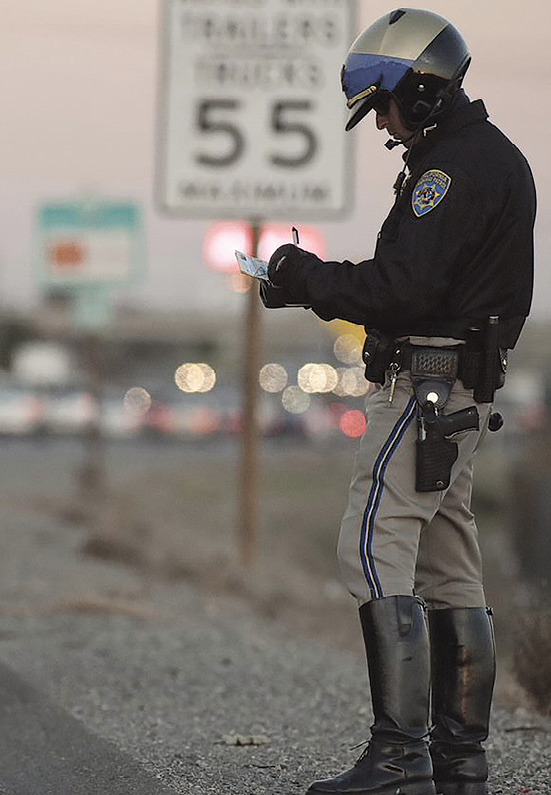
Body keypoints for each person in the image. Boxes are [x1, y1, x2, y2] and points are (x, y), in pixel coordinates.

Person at [259, 8, 536, 795]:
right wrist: (308, 287)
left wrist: (304, 276)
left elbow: (404, 288)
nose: (381, 123)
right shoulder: (498, 159)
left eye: (382, 105)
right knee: (452, 568)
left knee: (372, 548)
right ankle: (460, 760)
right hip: (467, 395)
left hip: (427, 387)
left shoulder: (448, 170)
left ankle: (398, 755)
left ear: (419, 91)